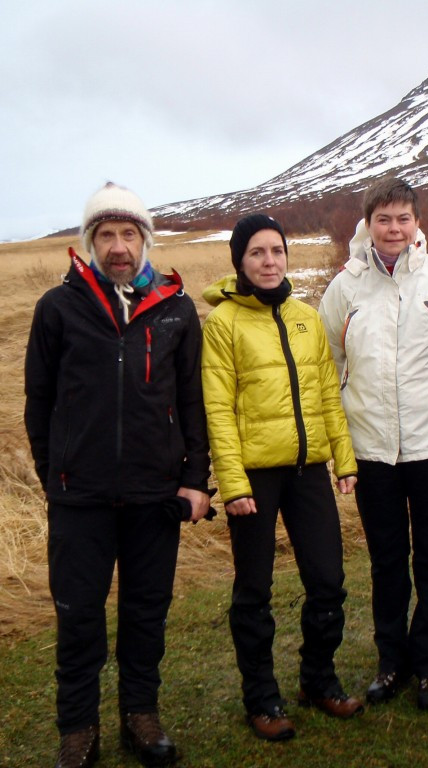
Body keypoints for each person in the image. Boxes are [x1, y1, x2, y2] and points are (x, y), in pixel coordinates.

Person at [24, 183, 211, 768]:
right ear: (89, 243)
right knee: (78, 615)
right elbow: (39, 401)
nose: (118, 246)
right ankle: (77, 730)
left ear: (145, 240)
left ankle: (141, 714)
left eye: (128, 233)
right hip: (80, 498)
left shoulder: (175, 308)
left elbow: (193, 400)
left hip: (156, 495)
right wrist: (57, 472)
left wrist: (196, 479)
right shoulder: (58, 309)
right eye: (106, 234)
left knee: (145, 612)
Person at [319, 177, 428, 710]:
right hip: (371, 450)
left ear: (417, 223)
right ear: (367, 224)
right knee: (387, 559)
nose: (393, 229)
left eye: (403, 218)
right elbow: (331, 363)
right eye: (383, 219)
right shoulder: (345, 288)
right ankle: (392, 662)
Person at [201, 214, 363, 743]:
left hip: (307, 470)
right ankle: (261, 696)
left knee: (328, 581)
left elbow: (326, 396)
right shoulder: (223, 324)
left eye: (277, 251)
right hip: (253, 477)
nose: (270, 262)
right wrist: (234, 484)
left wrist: (345, 460)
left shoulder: (305, 317)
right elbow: (218, 411)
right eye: (257, 253)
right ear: (240, 262)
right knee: (254, 591)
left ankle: (318, 679)